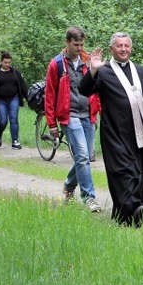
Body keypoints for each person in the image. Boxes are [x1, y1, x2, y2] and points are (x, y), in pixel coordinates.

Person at [80, 32, 143, 226]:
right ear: (112, 49)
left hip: (138, 132)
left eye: (126, 45)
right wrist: (92, 71)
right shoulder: (103, 71)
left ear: (131, 48)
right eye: (119, 46)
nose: (123, 49)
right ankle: (133, 207)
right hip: (115, 134)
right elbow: (84, 90)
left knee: (140, 173)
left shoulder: (141, 71)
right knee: (124, 173)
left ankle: (128, 216)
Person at [44, 26, 102, 213]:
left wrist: (99, 110)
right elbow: (50, 94)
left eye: (81, 44)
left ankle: (69, 186)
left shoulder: (87, 62)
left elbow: (96, 87)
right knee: (82, 157)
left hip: (88, 113)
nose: (79, 48)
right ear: (67, 42)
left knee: (85, 157)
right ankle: (89, 197)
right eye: (75, 44)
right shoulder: (57, 64)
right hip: (69, 115)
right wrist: (51, 123)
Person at [0, 51, 29, 149]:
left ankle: (15, 141)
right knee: (3, 121)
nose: (7, 64)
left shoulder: (15, 72)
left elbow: (22, 85)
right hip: (0, 100)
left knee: (14, 119)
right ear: (1, 61)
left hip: (14, 98)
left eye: (9, 62)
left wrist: (29, 97)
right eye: (5, 62)